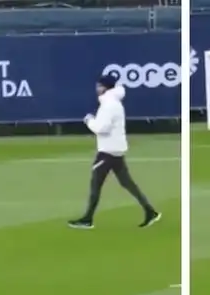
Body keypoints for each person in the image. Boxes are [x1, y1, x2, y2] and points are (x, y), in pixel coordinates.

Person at [68, 73, 161, 230]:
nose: (96, 88)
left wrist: (89, 121)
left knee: (96, 184)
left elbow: (102, 128)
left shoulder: (109, 104)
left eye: (99, 86)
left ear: (105, 87)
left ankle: (87, 219)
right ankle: (150, 211)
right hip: (116, 149)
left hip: (108, 151)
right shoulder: (114, 103)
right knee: (127, 183)